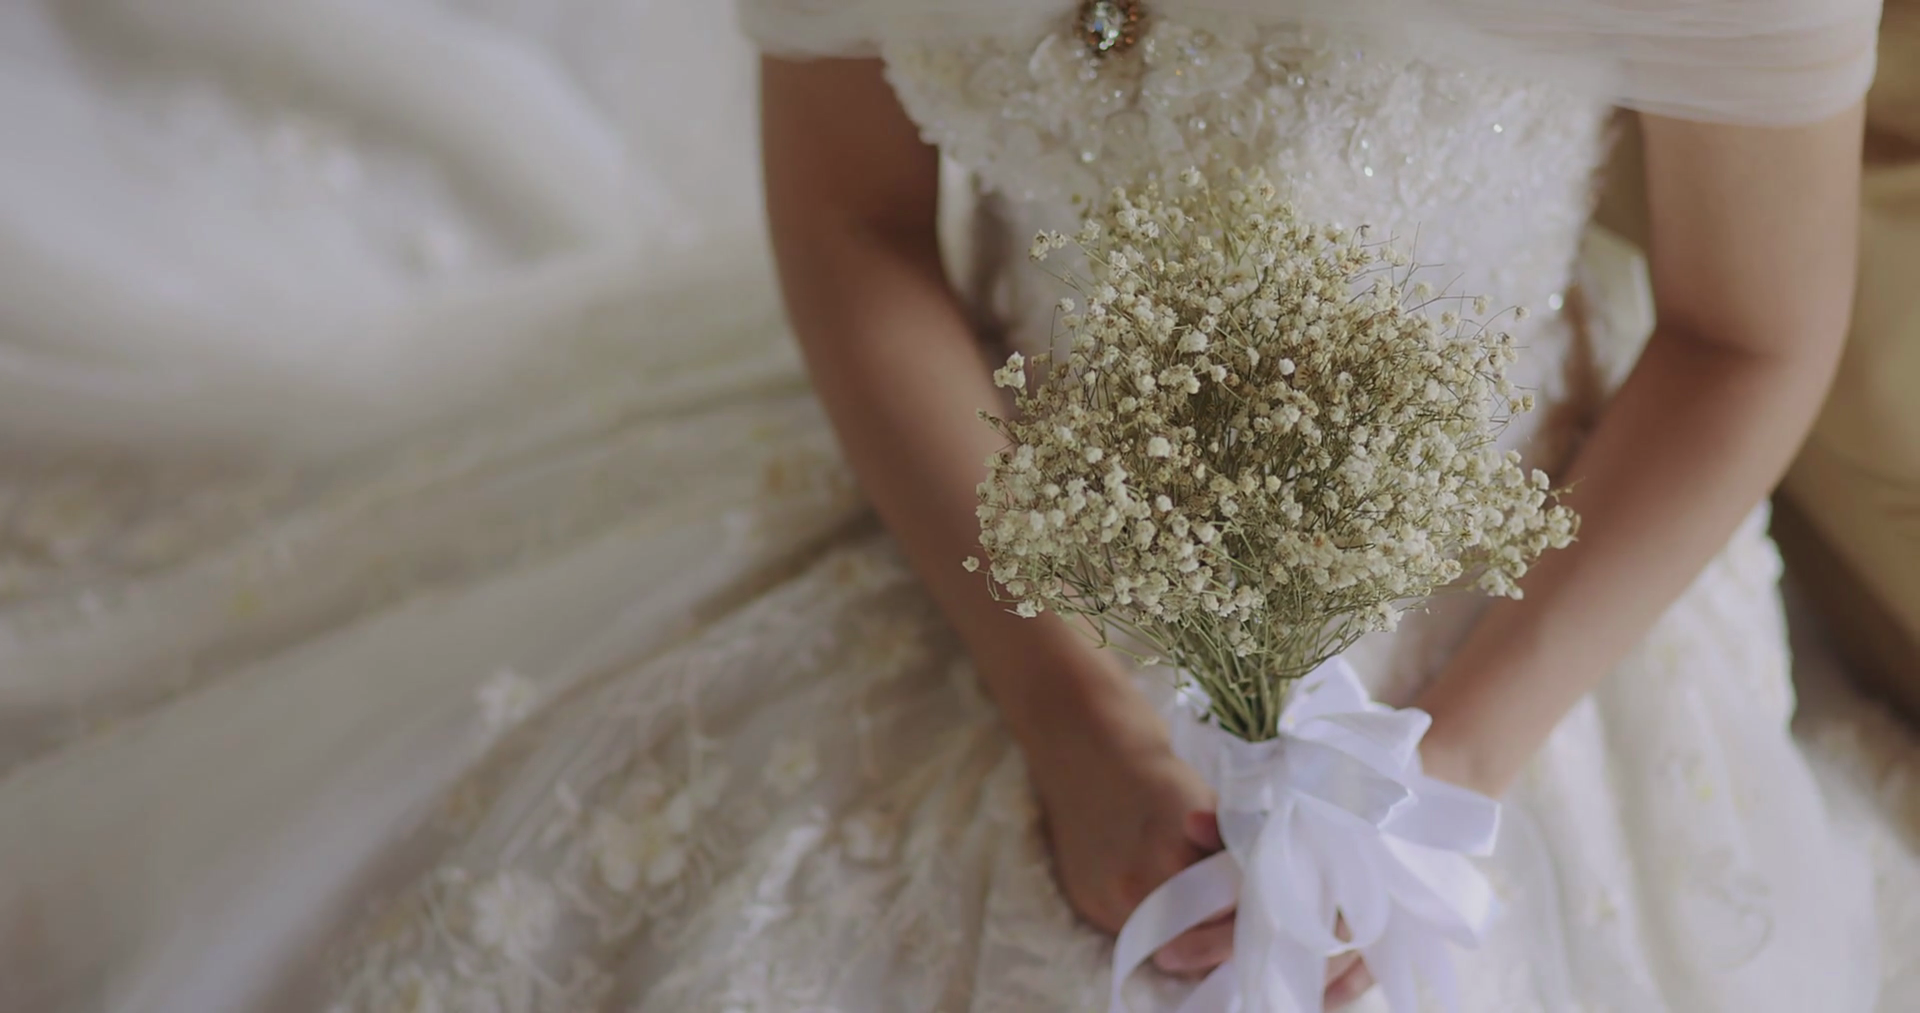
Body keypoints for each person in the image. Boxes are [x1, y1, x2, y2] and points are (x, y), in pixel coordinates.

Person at [0, 2, 1914, 1011]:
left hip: (1523, 575)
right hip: (992, 475)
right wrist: (1060, 699)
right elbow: (853, 221)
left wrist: (1447, 769)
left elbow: (1747, 338)